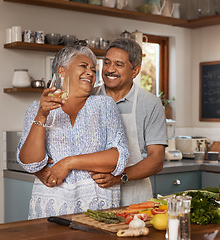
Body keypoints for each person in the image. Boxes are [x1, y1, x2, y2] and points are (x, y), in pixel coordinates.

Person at [17, 45, 129, 219]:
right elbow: (31, 163)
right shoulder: (36, 109)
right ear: (62, 71)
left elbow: (117, 157)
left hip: (97, 209)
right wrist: (42, 115)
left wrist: (68, 163)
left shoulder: (105, 106)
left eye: (93, 69)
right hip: (51, 208)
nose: (91, 72)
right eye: (84, 66)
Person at [91, 38, 168, 206]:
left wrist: (118, 177)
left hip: (135, 195)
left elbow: (156, 159)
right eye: (107, 62)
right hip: (94, 193)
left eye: (118, 64)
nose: (110, 69)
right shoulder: (89, 97)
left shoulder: (150, 104)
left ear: (135, 71)